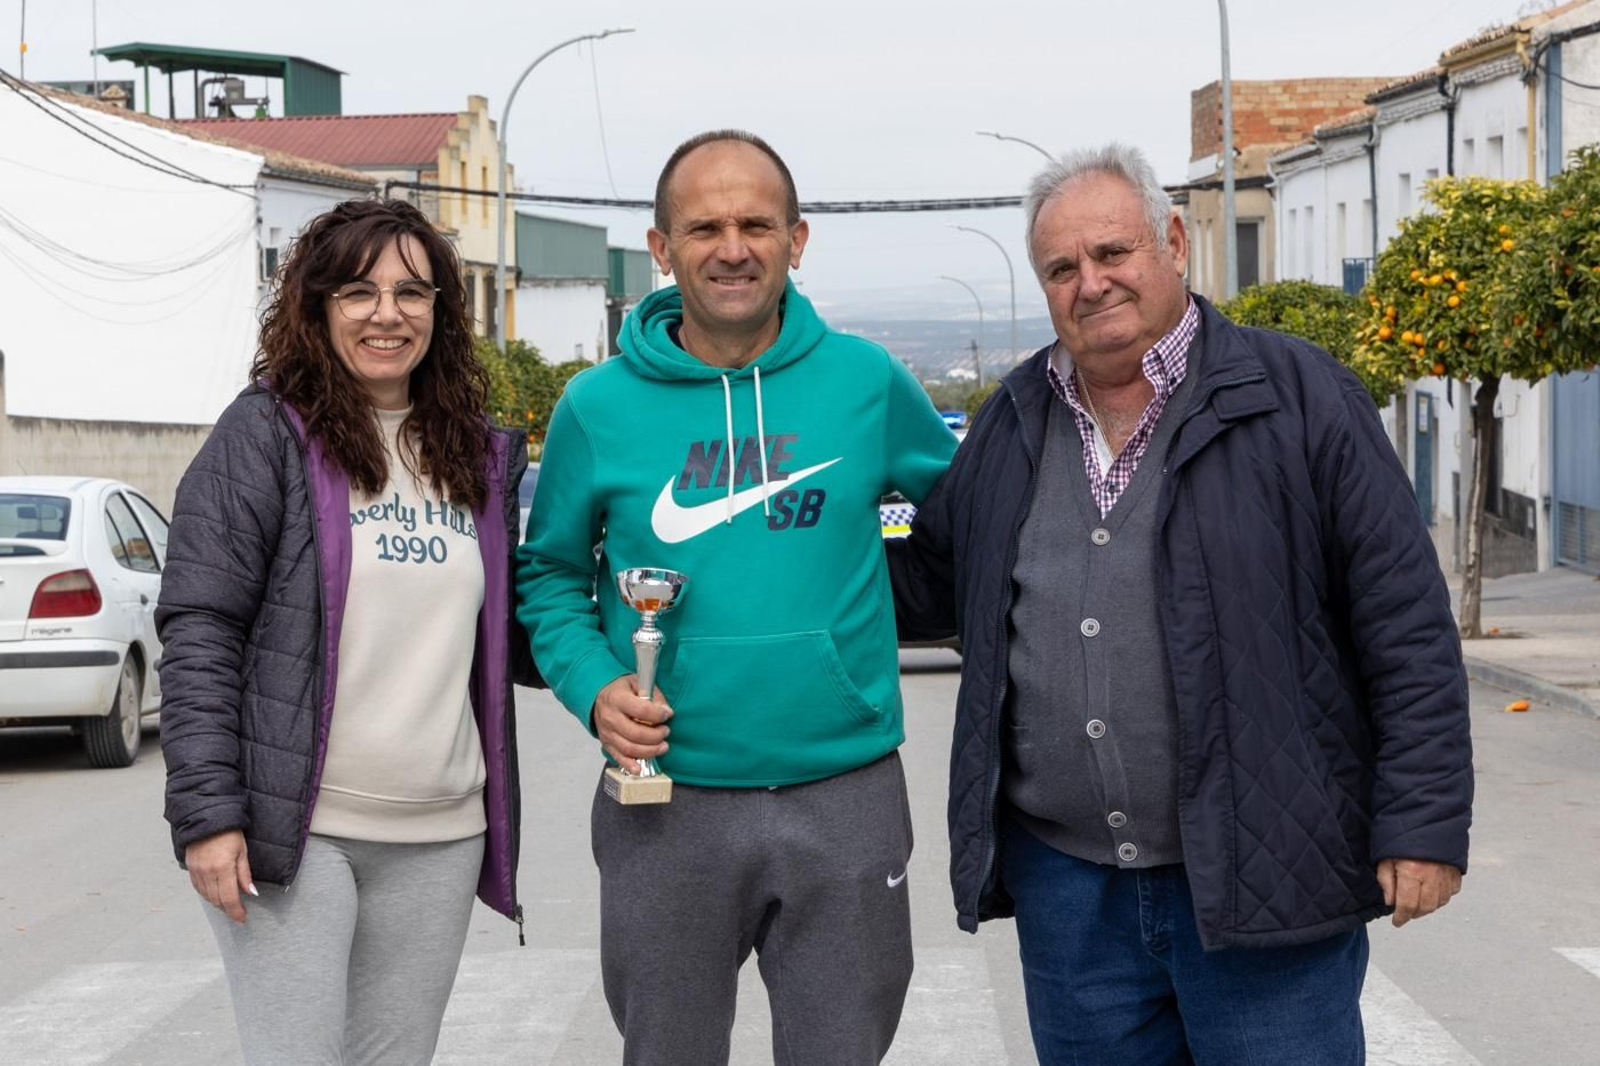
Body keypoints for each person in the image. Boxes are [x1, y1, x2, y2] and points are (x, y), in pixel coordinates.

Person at [887, 144, 1474, 1065]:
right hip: (1072, 902)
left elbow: (1404, 627)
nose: (1092, 283)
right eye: (1062, 268)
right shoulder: (1013, 420)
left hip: (1265, 884)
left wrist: (1424, 825)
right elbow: (923, 586)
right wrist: (785, 526)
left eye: (1113, 253)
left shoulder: (1301, 397)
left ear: (1170, 241)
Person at [516, 129, 956, 1066]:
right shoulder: (596, 406)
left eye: (757, 223)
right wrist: (596, 685)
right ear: (661, 248)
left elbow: (969, 523)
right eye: (705, 226)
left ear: (797, 241)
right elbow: (548, 575)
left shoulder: (867, 382)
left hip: (846, 789)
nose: (733, 247)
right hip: (666, 803)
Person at [157, 198, 529, 1066]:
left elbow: (510, 637)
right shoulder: (264, 437)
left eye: (412, 292)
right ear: (317, 305)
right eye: (359, 291)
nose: (387, 313)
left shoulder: (475, 458)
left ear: (441, 311)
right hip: (297, 834)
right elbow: (201, 630)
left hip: (440, 836)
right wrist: (209, 819)